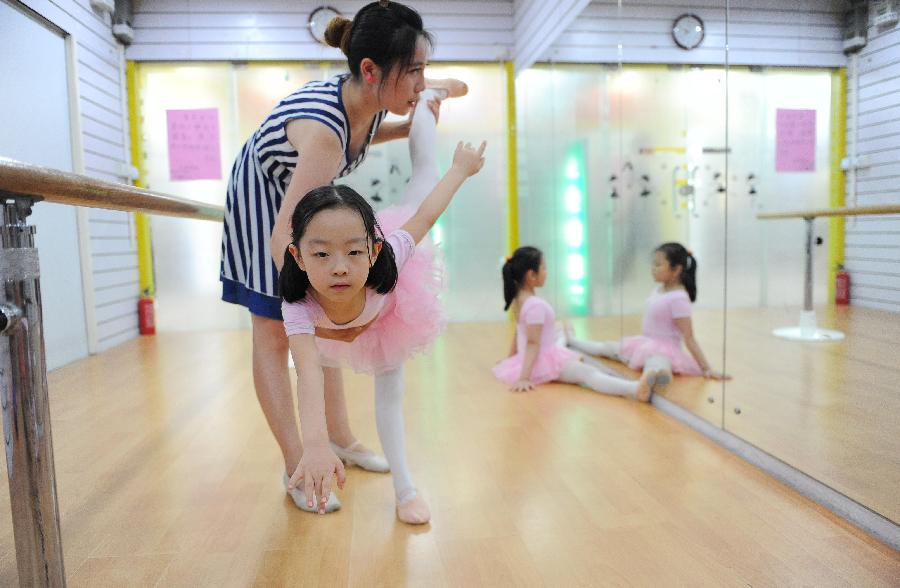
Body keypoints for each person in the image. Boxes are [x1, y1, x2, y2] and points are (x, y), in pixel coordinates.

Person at [218, 0, 465, 513]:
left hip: (303, 205)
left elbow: (376, 131)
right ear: (372, 70)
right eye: (414, 71)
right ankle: (299, 465)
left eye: (423, 70)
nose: (421, 82)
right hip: (266, 208)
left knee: (322, 328)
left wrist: (425, 107)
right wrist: (315, 294)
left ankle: (341, 440)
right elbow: (280, 234)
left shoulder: (365, 102)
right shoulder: (328, 130)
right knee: (276, 334)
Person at [279, 85, 485, 524]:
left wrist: (461, 170)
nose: (339, 269)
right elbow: (309, 378)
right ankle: (366, 460)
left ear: (371, 251)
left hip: (391, 311)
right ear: (298, 256)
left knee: (425, 176)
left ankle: (428, 101)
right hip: (345, 322)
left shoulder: (387, 255)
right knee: (342, 371)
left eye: (353, 253)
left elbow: (427, 214)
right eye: (321, 255)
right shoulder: (297, 301)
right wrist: (314, 444)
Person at [492, 246, 656, 401]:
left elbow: (519, 333)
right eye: (544, 268)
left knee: (562, 338)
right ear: (531, 276)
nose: (546, 272)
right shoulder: (535, 305)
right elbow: (533, 342)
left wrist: (510, 360)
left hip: (537, 356)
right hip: (542, 361)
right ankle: (634, 389)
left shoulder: (519, 301)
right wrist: (523, 378)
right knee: (589, 374)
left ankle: (567, 337)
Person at [564, 242, 730, 388]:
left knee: (657, 362)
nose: (653, 269)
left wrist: (706, 368)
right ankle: (573, 341)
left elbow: (689, 337)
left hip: (666, 350)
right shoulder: (660, 289)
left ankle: (655, 378)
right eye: (653, 264)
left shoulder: (679, 298)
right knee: (608, 348)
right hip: (645, 343)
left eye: (658, 265)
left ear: (676, 270)